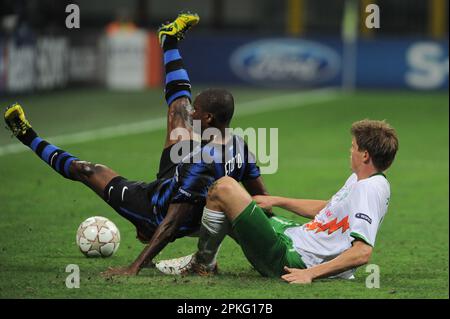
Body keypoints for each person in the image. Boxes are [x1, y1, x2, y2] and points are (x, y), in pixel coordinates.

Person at [3, 12, 268, 277]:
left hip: (153, 208)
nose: (193, 112)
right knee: (178, 109)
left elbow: (171, 223)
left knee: (87, 171)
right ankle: (169, 41)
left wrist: (133, 268)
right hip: (177, 178)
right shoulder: (238, 146)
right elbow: (263, 199)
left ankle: (27, 135)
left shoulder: (202, 165)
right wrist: (277, 229)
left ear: (208, 118)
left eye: (197, 110)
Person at [156, 120, 399, 284]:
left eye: (354, 147)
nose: (350, 151)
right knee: (230, 200)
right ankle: (203, 259)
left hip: (293, 258)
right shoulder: (360, 179)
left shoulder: (370, 188)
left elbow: (362, 252)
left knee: (225, 187)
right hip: (292, 235)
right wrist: (278, 200)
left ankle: (202, 263)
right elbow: (329, 210)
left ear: (365, 155)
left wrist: (309, 274)